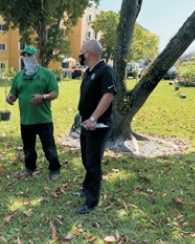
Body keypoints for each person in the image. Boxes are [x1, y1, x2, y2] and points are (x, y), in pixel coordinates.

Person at [73, 39, 117, 214]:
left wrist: (93, 118)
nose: (80, 54)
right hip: (86, 122)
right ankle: (86, 189)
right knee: (86, 158)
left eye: (81, 50)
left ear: (88, 53)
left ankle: (91, 201)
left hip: (98, 124)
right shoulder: (88, 71)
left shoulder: (106, 71)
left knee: (93, 162)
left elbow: (108, 96)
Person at [6, 45, 61, 181]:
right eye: (24, 55)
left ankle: (54, 169)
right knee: (28, 148)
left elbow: (55, 93)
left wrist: (43, 97)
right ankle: (30, 168)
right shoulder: (19, 76)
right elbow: (14, 93)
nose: (27, 58)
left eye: (29, 55)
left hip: (43, 119)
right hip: (26, 120)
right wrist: (9, 97)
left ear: (36, 57)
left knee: (48, 147)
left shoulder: (46, 74)